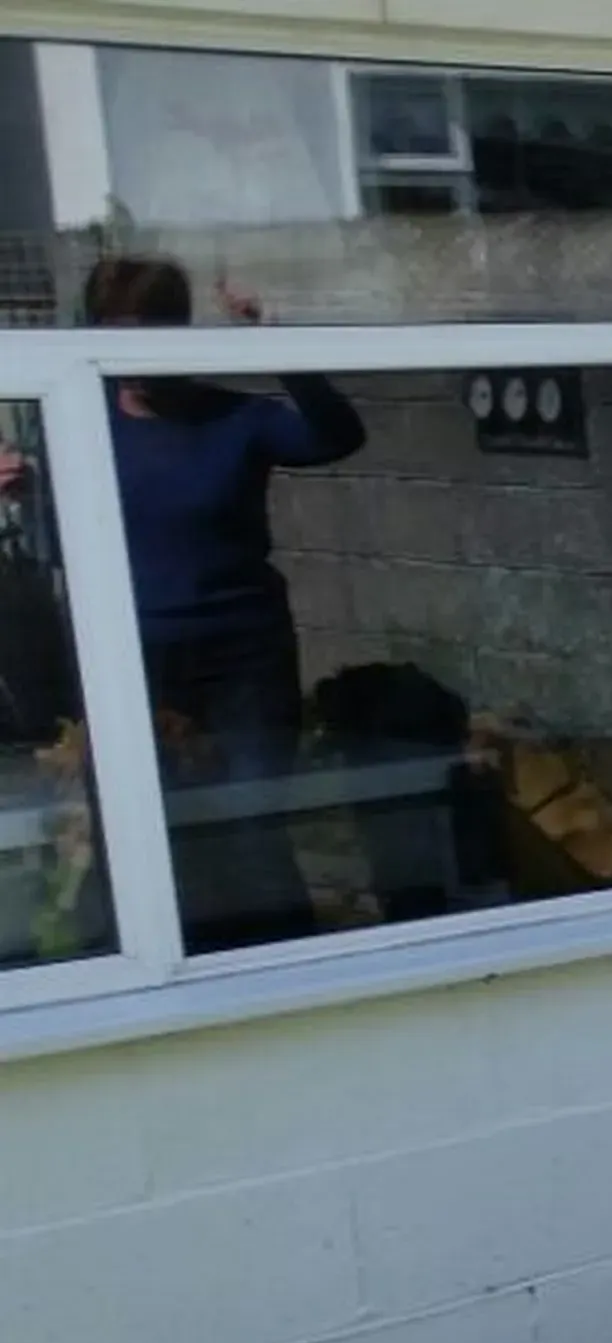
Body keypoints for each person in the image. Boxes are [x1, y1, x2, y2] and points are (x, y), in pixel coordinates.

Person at [86, 254, 365, 948]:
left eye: (146, 336)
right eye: (114, 335)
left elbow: (337, 436)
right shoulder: (76, 420)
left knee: (250, 826)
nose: (133, 360)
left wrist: (273, 340)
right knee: (144, 830)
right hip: (132, 653)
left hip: (242, 650)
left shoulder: (235, 417)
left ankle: (285, 975)